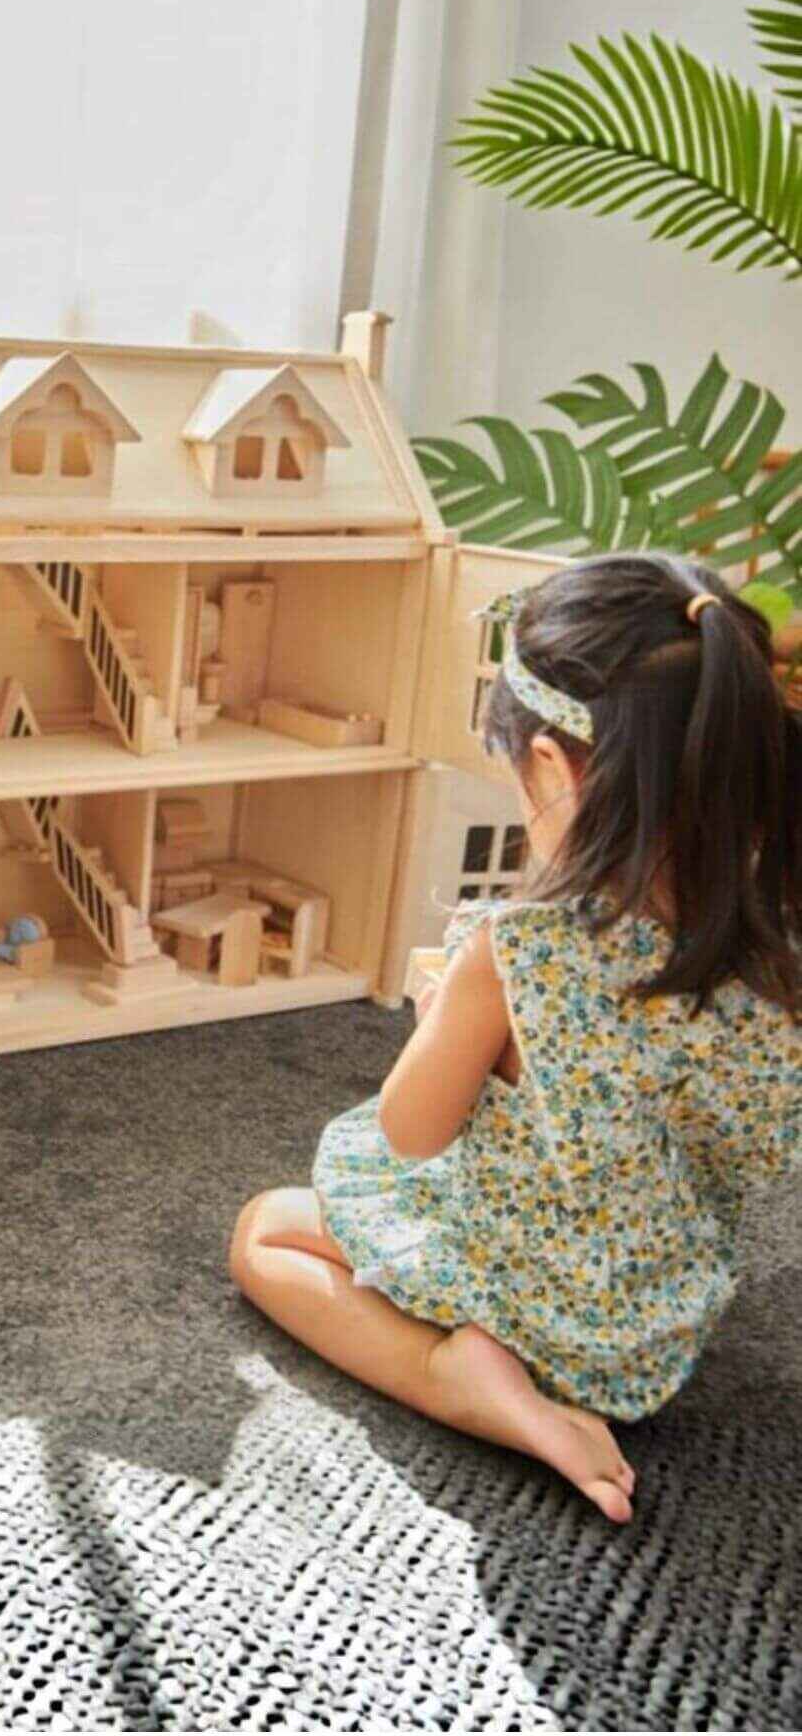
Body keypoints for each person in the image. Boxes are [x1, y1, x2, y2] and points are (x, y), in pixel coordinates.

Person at [230, 554, 802, 1520]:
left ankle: (458, 1380)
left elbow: (411, 1131)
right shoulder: (775, 949)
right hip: (654, 1329)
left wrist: (444, 1017)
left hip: (524, 1294)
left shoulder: (519, 955)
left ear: (551, 766)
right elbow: (752, 1143)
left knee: (265, 1234)